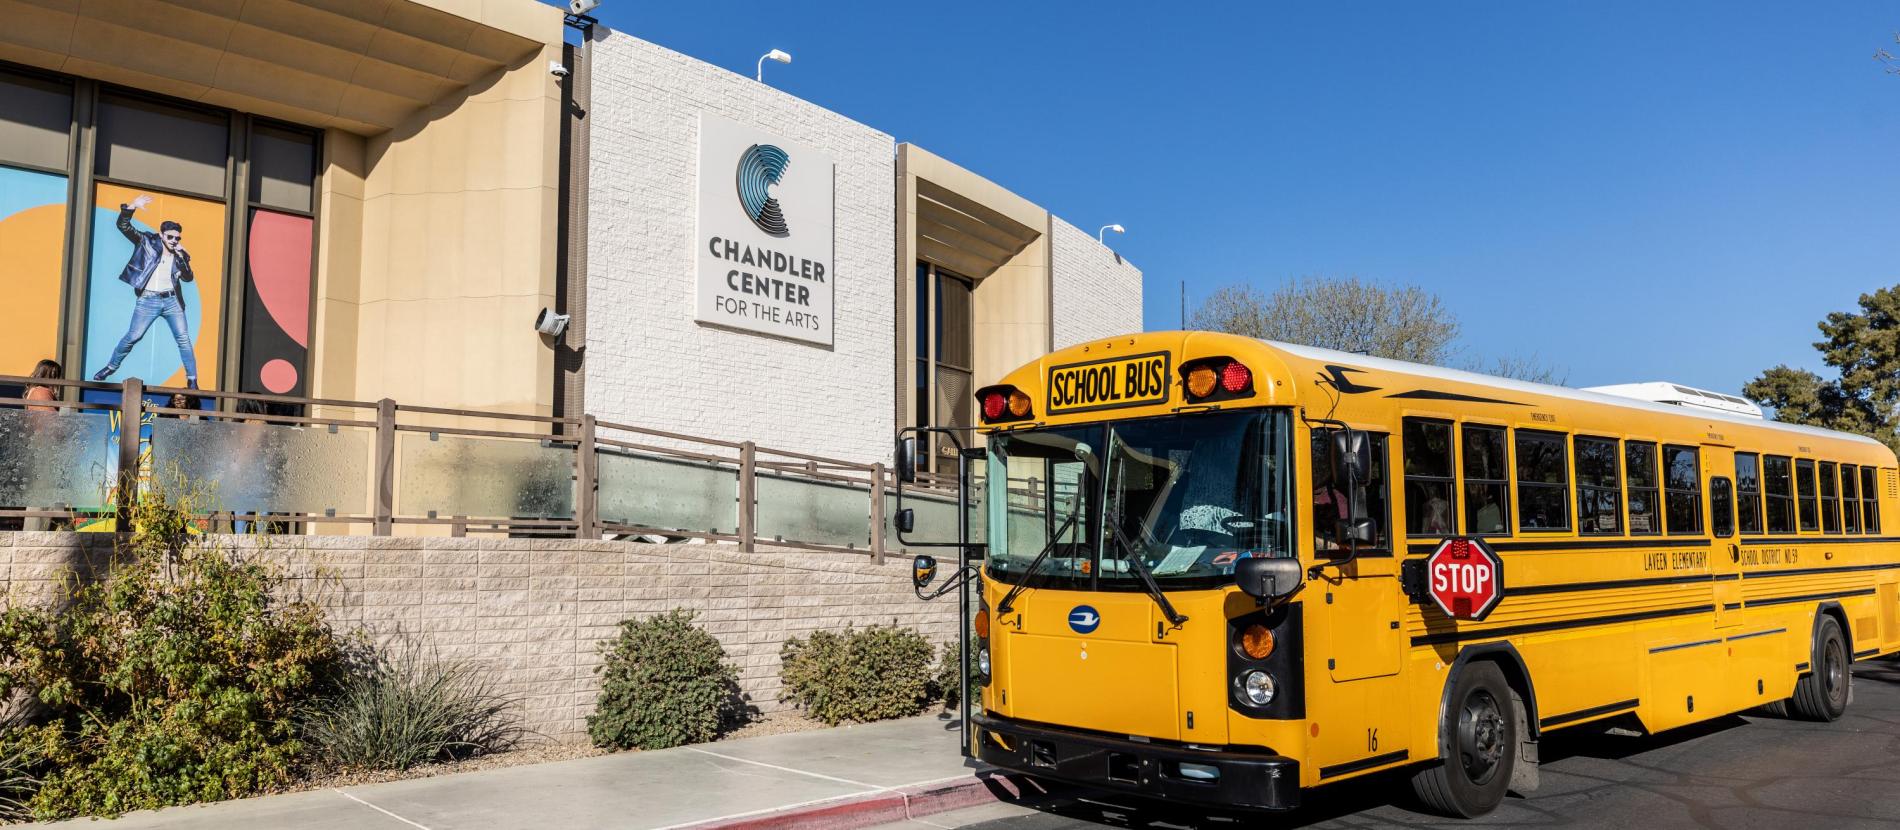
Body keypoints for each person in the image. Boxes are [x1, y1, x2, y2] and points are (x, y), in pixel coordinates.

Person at [92, 194, 198, 389]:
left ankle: (192, 379)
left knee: (183, 338)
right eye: (171, 237)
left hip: (172, 301)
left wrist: (182, 255)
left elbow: (188, 277)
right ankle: (110, 366)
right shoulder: (147, 241)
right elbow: (123, 226)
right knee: (133, 336)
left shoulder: (180, 254)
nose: (174, 240)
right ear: (161, 234)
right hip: (148, 299)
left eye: (177, 237)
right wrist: (132, 206)